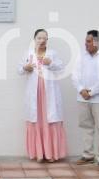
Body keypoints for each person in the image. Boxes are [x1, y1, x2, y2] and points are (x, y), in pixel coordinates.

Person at [18, 29, 67, 162]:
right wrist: (25, 68)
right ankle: (39, 153)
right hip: (34, 93)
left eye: (45, 38)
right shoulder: (29, 53)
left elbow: (61, 68)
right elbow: (19, 69)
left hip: (49, 93)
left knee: (49, 120)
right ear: (34, 39)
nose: (42, 40)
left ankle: (51, 154)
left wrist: (50, 63)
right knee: (37, 120)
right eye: (39, 38)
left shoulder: (52, 54)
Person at [71, 29, 99, 170]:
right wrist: (82, 90)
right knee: (86, 126)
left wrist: (91, 92)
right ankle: (88, 155)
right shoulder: (81, 56)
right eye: (85, 41)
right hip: (82, 97)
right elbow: (75, 75)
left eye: (88, 41)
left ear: (97, 42)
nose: (86, 44)